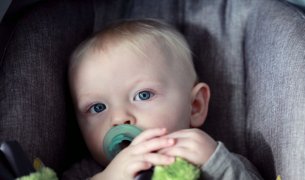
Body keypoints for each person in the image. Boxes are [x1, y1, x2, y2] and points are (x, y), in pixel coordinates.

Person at [64, 19, 262, 179]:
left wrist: (217, 165)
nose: (119, 118)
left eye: (143, 95)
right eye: (98, 107)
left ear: (195, 106)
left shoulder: (213, 161)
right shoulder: (88, 173)